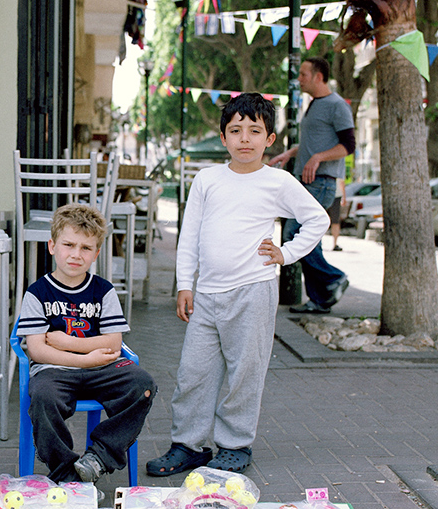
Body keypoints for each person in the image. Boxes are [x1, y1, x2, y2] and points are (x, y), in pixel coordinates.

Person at [146, 93, 329, 477]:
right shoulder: (208, 179)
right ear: (224, 136)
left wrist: (286, 252)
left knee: (245, 370)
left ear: (270, 138)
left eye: (254, 131)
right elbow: (190, 234)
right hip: (207, 294)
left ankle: (234, 444)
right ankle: (188, 445)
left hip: (253, 291)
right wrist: (185, 284)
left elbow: (317, 219)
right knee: (193, 372)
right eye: (236, 130)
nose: (245, 138)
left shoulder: (277, 181)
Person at [16, 203, 155, 488]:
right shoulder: (37, 293)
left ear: (96, 253)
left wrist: (68, 343)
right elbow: (38, 350)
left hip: (100, 368)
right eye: (68, 245)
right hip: (53, 371)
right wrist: (86, 358)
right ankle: (68, 475)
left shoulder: (103, 290)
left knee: (142, 383)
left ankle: (99, 457)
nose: (76, 254)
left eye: (86, 248)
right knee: (43, 397)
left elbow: (114, 341)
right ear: (52, 246)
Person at [268, 57, 355, 314]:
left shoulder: (337, 105)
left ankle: (333, 278)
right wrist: (291, 154)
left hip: (321, 183)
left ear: (319, 76)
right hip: (306, 182)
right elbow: (313, 143)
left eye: (304, 74)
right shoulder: (314, 104)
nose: (299, 78)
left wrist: (318, 158)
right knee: (309, 240)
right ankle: (321, 300)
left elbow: (348, 146)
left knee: (295, 235)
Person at [330, 177, 345, 251]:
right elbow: (342, 183)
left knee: (320, 219)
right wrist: (344, 198)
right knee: (335, 222)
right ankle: (335, 244)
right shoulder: (340, 167)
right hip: (336, 195)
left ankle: (335, 243)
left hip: (329, 193)